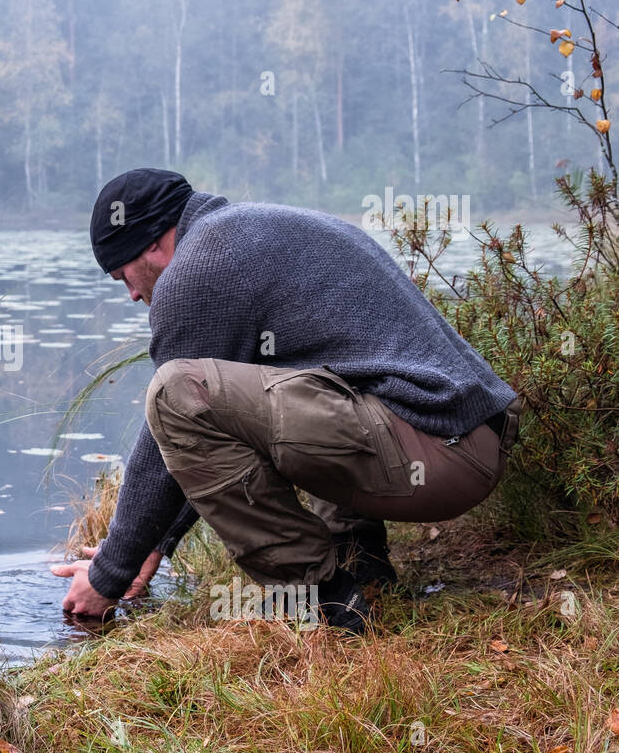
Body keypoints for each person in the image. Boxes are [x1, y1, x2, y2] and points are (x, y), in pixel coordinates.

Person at [51, 168, 522, 634]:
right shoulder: (255, 230)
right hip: (471, 435)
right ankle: (362, 566)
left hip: (441, 453)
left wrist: (108, 575)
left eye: (123, 275)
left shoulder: (202, 267)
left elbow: (171, 430)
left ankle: (325, 600)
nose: (133, 294)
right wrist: (156, 544)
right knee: (287, 379)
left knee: (175, 392)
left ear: (153, 242)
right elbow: (217, 434)